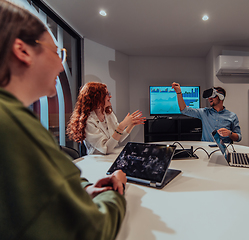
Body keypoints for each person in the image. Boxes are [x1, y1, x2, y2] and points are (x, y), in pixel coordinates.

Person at [0, 1, 128, 239]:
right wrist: (114, 192)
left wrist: (86, 189)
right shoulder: (12, 124)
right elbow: (93, 230)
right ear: (23, 50)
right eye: (57, 52)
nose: (61, 65)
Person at [67, 82, 146, 155]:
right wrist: (122, 126)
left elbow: (119, 138)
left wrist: (131, 125)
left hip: (109, 156)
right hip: (96, 160)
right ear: (96, 98)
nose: (110, 96)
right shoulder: (88, 121)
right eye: (107, 94)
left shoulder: (108, 114)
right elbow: (106, 148)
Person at [171, 82, 241, 143]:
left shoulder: (232, 116)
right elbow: (184, 110)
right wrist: (179, 93)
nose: (210, 99)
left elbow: (239, 138)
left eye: (213, 96)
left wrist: (230, 133)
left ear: (221, 97)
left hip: (224, 150)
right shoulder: (204, 112)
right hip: (207, 149)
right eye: (209, 97)